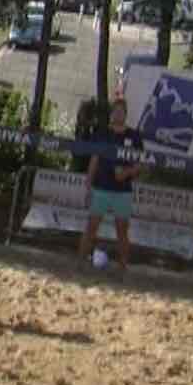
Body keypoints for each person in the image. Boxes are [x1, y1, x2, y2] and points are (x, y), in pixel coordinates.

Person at [79, 96, 143, 271]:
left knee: (122, 231)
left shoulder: (134, 136)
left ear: (125, 114)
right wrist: (88, 185)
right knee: (91, 226)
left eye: (121, 112)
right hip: (101, 188)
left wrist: (126, 173)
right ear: (111, 114)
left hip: (123, 191)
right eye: (115, 111)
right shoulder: (103, 135)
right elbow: (94, 160)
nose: (117, 114)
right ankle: (80, 263)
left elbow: (139, 165)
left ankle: (122, 267)